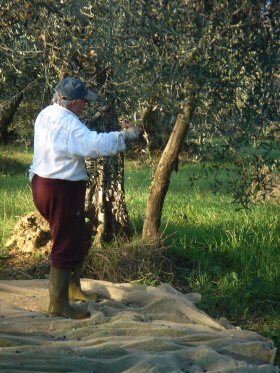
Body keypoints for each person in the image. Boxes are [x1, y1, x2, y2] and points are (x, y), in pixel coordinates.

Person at [29, 77, 141, 319]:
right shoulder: (70, 125)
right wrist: (126, 136)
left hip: (42, 183)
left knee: (77, 235)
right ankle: (58, 305)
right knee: (66, 242)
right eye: (84, 103)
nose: (86, 106)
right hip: (61, 189)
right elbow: (93, 144)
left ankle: (72, 288)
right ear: (75, 102)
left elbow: (77, 134)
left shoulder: (46, 114)